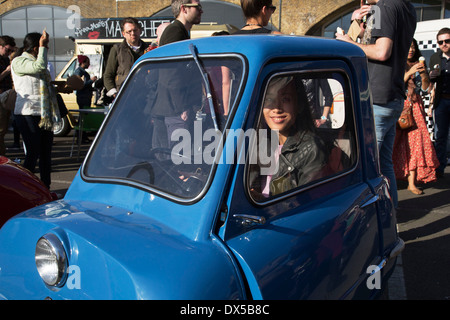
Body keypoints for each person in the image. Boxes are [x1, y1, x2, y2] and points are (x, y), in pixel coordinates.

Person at [336, 0, 416, 208]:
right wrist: (363, 31)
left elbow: (382, 52)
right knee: (384, 165)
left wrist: (347, 41)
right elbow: (383, 45)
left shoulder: (385, 7)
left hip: (378, 97)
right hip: (392, 96)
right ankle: (392, 218)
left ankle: (379, 229)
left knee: (367, 167)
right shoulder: (405, 6)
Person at [249, 75, 327, 198]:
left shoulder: (312, 149)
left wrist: (261, 201)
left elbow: (305, 205)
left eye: (285, 99)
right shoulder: (260, 141)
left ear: (299, 105)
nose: (277, 108)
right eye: (269, 100)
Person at [11, 31, 60, 189]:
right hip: (27, 113)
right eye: (44, 47)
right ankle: (25, 188)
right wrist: (42, 46)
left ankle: (46, 187)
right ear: (34, 48)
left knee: (46, 153)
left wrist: (60, 87)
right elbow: (38, 67)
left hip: (44, 113)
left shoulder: (38, 60)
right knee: (33, 151)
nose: (46, 49)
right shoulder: (19, 61)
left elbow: (43, 84)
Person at [152, 0, 203, 149]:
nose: (201, 11)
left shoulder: (180, 31)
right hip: (175, 110)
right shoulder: (175, 32)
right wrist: (182, 107)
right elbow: (171, 74)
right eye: (197, 7)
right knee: (179, 160)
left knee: (178, 159)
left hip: (174, 108)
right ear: (184, 9)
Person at [393, 39, 439, 195]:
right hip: (399, 107)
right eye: (408, 47)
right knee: (393, 144)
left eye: (413, 47)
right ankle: (391, 178)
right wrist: (410, 72)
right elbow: (396, 84)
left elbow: (425, 89)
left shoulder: (419, 65)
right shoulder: (397, 64)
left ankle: (411, 183)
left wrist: (423, 74)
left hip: (416, 108)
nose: (411, 50)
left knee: (416, 144)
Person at [104, 17, 147, 98]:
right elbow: (108, 75)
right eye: (129, 31)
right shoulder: (117, 50)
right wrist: (115, 94)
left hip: (145, 96)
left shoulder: (148, 49)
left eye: (135, 30)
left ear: (140, 30)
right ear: (123, 34)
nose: (133, 33)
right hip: (124, 96)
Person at [429, 27, 450, 178]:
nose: (444, 44)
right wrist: (431, 76)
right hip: (441, 100)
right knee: (440, 135)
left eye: (447, 41)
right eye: (440, 42)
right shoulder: (435, 57)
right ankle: (440, 167)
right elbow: (429, 82)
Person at [74, 55, 97, 143]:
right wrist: (91, 81)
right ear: (83, 62)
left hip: (85, 96)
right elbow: (80, 85)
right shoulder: (79, 72)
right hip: (83, 97)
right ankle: (80, 137)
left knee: (83, 117)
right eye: (88, 61)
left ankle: (83, 136)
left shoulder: (82, 71)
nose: (89, 64)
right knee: (82, 117)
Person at [0, 35, 16, 155]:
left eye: (11, 50)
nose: (9, 53)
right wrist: (6, 71)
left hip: (6, 98)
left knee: (3, 129)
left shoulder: (6, 59)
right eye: (7, 50)